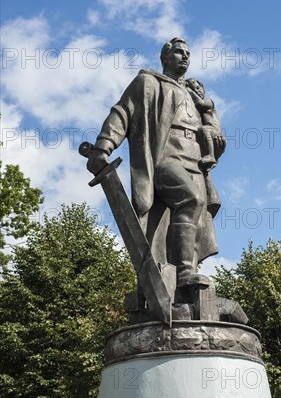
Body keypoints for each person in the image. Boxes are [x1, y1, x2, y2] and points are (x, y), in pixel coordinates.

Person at [87, 38, 226, 289]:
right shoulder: (148, 83)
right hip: (165, 159)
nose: (185, 57)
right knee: (191, 199)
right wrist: (102, 147)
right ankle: (184, 273)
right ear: (165, 57)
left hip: (194, 163)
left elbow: (213, 135)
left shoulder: (194, 96)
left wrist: (210, 118)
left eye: (188, 54)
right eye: (178, 52)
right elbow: (122, 112)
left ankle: (185, 274)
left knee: (197, 215)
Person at [185, 78, 223, 173]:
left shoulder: (209, 102)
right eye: (194, 89)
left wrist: (189, 91)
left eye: (198, 88)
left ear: (203, 89)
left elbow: (200, 103)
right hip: (208, 134)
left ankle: (211, 156)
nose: (197, 91)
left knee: (203, 129)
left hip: (214, 131)